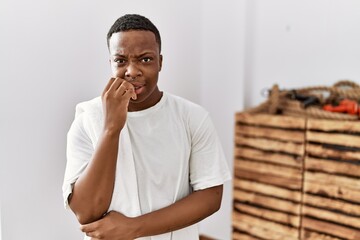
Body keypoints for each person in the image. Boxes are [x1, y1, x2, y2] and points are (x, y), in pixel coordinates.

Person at [62, 14, 231, 240]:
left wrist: (132, 228)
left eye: (145, 59)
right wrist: (111, 128)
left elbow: (210, 197)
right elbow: (86, 211)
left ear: (161, 61)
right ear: (110, 63)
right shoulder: (88, 118)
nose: (132, 71)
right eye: (121, 61)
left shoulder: (192, 117)